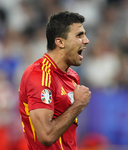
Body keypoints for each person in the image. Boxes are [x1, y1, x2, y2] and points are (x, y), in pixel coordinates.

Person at [18, 11, 91, 150]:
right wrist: (78, 104)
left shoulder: (72, 76)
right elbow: (46, 136)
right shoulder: (39, 75)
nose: (86, 40)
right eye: (79, 35)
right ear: (60, 42)